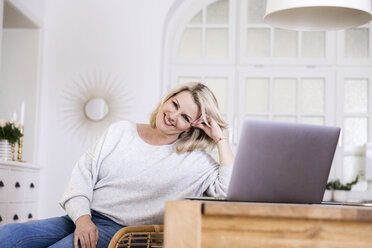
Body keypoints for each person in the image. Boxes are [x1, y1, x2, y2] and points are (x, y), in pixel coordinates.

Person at [0, 82, 234, 248]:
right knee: (7, 235)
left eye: (184, 117)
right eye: (174, 104)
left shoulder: (194, 161)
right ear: (167, 99)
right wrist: (83, 220)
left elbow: (227, 189)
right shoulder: (120, 131)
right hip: (83, 216)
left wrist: (220, 139)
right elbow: (83, 177)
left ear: (192, 126)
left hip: (123, 231)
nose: (173, 115)